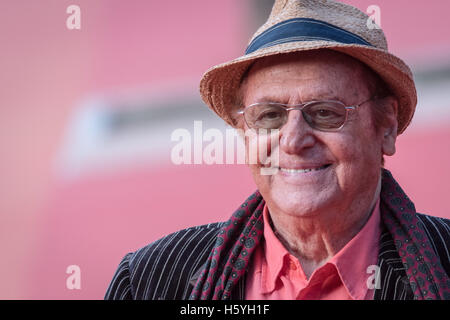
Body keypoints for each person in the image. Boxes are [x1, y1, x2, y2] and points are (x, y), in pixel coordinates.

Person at [105, 0, 450, 300]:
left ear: (385, 126)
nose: (292, 140)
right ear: (244, 134)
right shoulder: (149, 281)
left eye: (325, 113)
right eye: (269, 116)